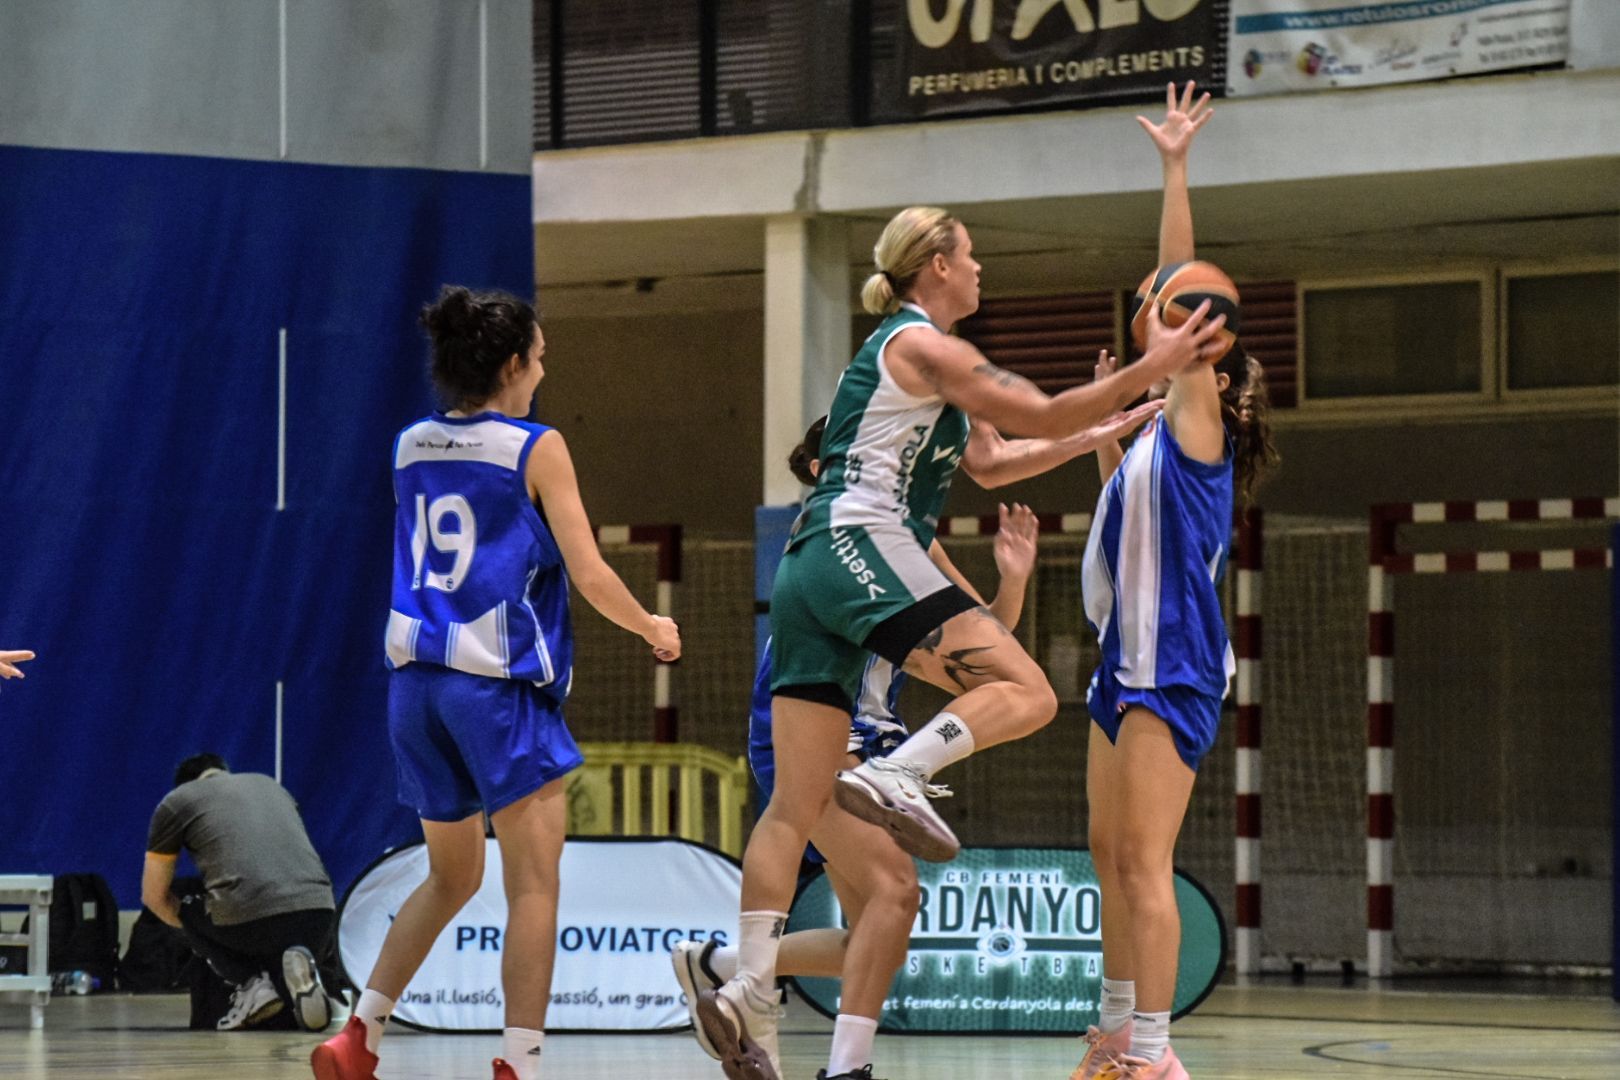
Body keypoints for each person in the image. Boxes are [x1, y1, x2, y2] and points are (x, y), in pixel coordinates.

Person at [701, 205, 1227, 1080]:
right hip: (858, 542)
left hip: (807, 568)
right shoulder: (922, 345)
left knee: (792, 808)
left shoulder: (920, 371)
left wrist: (1100, 434)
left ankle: (750, 984)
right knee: (1027, 692)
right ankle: (901, 771)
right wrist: (1157, 363)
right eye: (972, 255)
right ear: (936, 266)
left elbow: (992, 460)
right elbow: (1042, 405)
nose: (981, 270)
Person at [682, 412, 1148, 1080]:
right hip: (824, 733)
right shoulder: (834, 539)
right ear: (826, 471)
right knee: (896, 894)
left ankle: (727, 970)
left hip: (868, 739)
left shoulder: (905, 539)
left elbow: (980, 640)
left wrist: (1012, 579)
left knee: (875, 935)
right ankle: (830, 1055)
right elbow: (953, 661)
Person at [311, 286, 681, 1080]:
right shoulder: (534, 446)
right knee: (535, 886)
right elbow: (587, 571)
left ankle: (360, 1034)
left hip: (414, 689)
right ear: (513, 363)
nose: (542, 371)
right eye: (540, 357)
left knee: (450, 875)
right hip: (495, 689)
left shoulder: (410, 444)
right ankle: (520, 1062)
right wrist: (650, 626)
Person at [1072, 83, 1279, 1080]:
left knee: (1145, 864)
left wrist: (1175, 168)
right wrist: (1105, 452)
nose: (1169, 340)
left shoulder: (1201, 426)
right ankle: (1113, 1033)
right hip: (1122, 661)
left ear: (1212, 369)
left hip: (1176, 664)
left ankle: (1153, 1056)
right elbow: (1121, 527)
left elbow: (1173, 282)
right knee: (1109, 855)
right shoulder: (1154, 442)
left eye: (1189, 343)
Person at [142, 753, 336, 1032]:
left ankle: (253, 986)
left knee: (186, 907)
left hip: (250, 918)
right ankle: (303, 990)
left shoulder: (177, 801)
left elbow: (153, 895)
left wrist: (204, 936)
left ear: (184, 785)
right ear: (224, 772)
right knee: (278, 951)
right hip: (320, 914)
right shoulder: (272, 787)